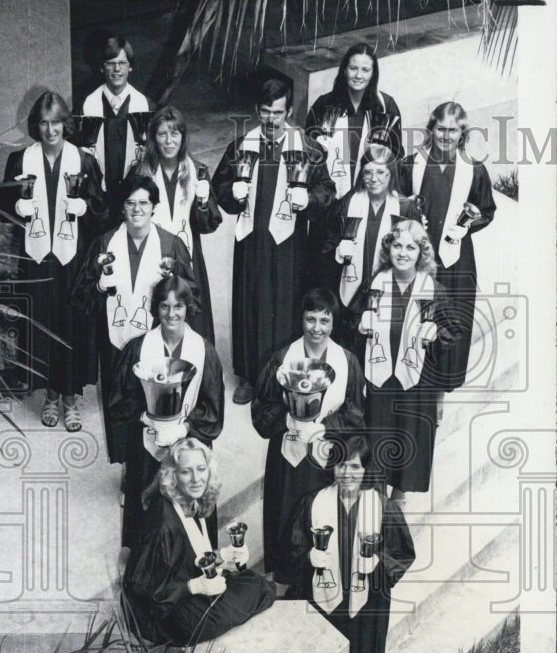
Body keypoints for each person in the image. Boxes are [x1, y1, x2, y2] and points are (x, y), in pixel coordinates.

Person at [287, 435, 415, 653]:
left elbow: (404, 554)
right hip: (325, 604)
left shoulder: (382, 507)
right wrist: (306, 558)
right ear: (332, 468)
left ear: (365, 469)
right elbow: (291, 550)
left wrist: (379, 562)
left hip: (367, 604)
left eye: (355, 466)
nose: (347, 473)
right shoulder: (312, 503)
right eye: (341, 465)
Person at [212, 76, 335, 404]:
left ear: (290, 111)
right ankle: (249, 376)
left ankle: (284, 374)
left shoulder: (308, 149)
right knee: (250, 304)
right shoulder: (242, 146)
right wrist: (232, 194)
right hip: (251, 242)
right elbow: (219, 190)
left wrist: (307, 199)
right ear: (257, 110)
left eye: (277, 112)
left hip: (289, 245)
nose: (270, 119)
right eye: (265, 111)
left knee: (284, 307)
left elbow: (327, 191)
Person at [0, 91, 105, 431]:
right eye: (43, 123)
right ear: (35, 125)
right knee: (44, 322)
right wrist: (17, 207)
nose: (50, 129)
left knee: (71, 323)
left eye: (56, 122)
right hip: (38, 256)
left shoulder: (84, 161)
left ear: (65, 123)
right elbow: (2, 204)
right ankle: (51, 396)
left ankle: (71, 399)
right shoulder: (20, 160)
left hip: (74, 258)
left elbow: (103, 210)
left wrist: (85, 207)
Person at [72, 175, 197, 464]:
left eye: (144, 202)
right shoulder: (105, 243)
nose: (137, 209)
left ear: (154, 207)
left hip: (158, 345)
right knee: (122, 405)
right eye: (130, 203)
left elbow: (194, 298)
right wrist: (100, 287)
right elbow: (81, 298)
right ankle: (131, 470)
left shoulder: (171, 245)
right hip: (115, 341)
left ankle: (160, 463)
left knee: (155, 405)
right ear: (122, 208)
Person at [252, 288, 365, 586]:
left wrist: (326, 427)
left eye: (324, 321)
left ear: (333, 323)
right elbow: (261, 409)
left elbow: (356, 412)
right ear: (301, 319)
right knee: (285, 511)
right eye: (310, 319)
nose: (317, 328)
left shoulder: (347, 361)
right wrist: (286, 418)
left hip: (325, 457)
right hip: (287, 455)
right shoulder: (282, 358)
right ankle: (284, 576)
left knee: (320, 512)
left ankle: (318, 576)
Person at [122, 439, 276, 645]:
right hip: (163, 612)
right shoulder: (162, 521)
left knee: (256, 584)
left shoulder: (201, 499)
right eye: (186, 472)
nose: (196, 479)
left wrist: (223, 557)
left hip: (190, 586)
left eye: (201, 469)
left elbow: (193, 556)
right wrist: (194, 586)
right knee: (253, 593)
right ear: (173, 476)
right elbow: (143, 589)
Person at [109, 275, 224, 549]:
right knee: (148, 505)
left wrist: (184, 428)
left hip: (190, 441)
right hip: (149, 444)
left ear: (188, 307)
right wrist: (144, 416)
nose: (171, 314)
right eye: (164, 306)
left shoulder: (204, 351)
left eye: (178, 306)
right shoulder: (138, 348)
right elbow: (119, 400)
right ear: (155, 308)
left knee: (191, 498)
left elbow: (213, 408)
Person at [357, 219, 461, 502]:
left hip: (416, 380)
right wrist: (360, 322)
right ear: (388, 248)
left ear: (422, 252)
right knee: (377, 432)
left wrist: (436, 332)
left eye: (411, 247)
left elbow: (453, 331)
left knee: (408, 434)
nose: (403, 253)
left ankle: (399, 495)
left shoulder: (434, 289)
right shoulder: (375, 283)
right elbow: (351, 320)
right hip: (378, 375)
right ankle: (374, 493)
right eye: (397, 245)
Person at [400, 101, 496, 390]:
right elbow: (398, 199)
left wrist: (466, 226)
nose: (446, 135)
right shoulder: (410, 164)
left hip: (455, 256)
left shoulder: (474, 170)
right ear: (431, 129)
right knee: (414, 311)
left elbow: (486, 209)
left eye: (453, 130)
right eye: (441, 128)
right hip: (417, 254)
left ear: (462, 132)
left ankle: (443, 387)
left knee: (452, 317)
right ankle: (411, 377)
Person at [306, 43, 402, 284]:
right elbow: (309, 157)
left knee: (363, 269)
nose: (359, 75)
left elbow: (395, 159)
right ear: (344, 70)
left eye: (365, 70)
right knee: (325, 271)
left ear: (373, 73)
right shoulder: (324, 105)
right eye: (353, 68)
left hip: (367, 200)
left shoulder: (385, 107)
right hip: (331, 201)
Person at [319, 144, 421, 364]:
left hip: (389, 292)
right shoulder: (347, 203)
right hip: (351, 293)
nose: (374, 179)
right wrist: (337, 251)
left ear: (391, 174)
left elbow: (420, 254)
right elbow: (326, 245)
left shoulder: (405, 209)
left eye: (381, 172)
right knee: (350, 353)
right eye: (368, 172)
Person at [132, 105, 222, 343]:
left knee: (191, 316)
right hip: (152, 253)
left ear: (183, 137)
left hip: (188, 256)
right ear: (154, 138)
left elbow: (207, 225)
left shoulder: (198, 171)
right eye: (162, 134)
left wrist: (203, 201)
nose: (169, 141)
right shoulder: (141, 173)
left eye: (175, 134)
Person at [79, 35, 154, 207]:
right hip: (98, 192)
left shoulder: (145, 105)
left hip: (133, 192)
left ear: (130, 67)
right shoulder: (86, 105)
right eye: (110, 63)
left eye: (122, 63)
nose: (117, 69)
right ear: (101, 67)